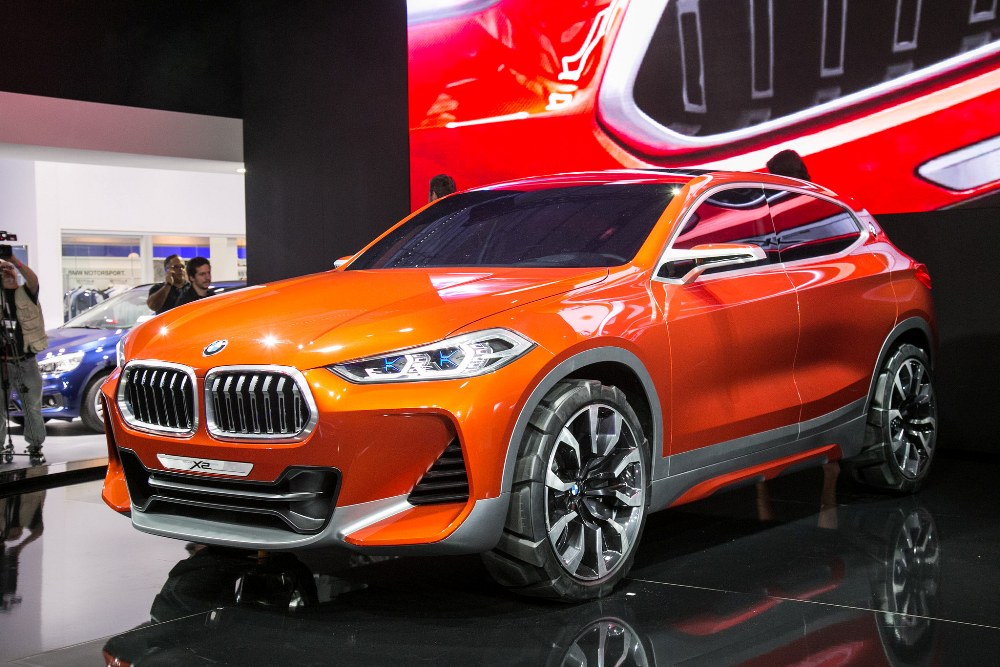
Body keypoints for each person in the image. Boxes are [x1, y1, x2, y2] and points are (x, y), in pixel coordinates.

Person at [0, 256, 47, 462]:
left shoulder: (26, 292)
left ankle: (35, 446)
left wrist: (14, 260)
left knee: (32, 407)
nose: (7, 271)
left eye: (9, 268)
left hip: (26, 360)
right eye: (2, 269)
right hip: (2, 363)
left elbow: (33, 279)